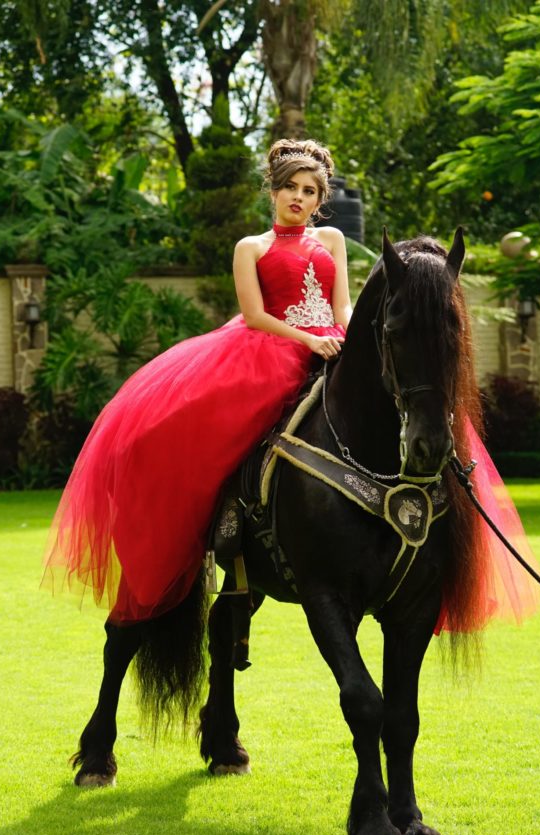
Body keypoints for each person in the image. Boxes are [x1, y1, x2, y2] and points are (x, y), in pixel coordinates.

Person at [43, 139, 352, 623]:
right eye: (290, 187)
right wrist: (308, 342)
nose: (299, 197)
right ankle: (226, 522)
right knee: (220, 430)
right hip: (273, 348)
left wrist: (345, 335)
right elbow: (253, 315)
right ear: (272, 191)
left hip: (332, 342)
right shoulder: (251, 247)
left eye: (310, 191)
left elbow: (342, 305)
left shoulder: (332, 241)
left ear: (319, 199)